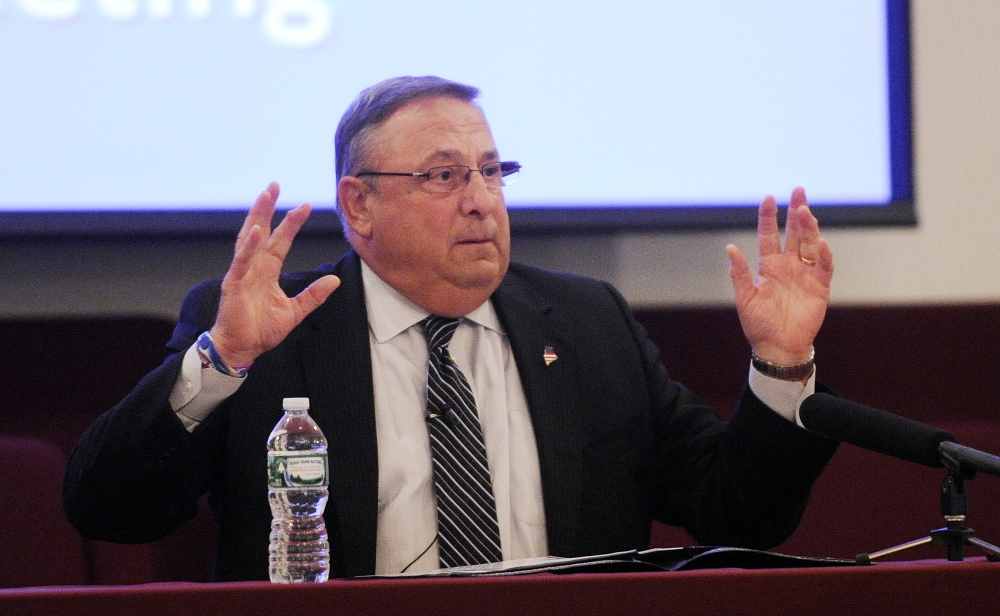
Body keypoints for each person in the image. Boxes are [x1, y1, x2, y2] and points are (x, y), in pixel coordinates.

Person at [64, 76, 839, 581]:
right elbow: (111, 510)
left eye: (492, 172)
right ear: (358, 206)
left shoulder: (587, 321)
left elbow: (742, 517)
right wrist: (224, 359)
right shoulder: (265, 332)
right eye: (443, 176)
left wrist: (781, 362)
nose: (481, 199)